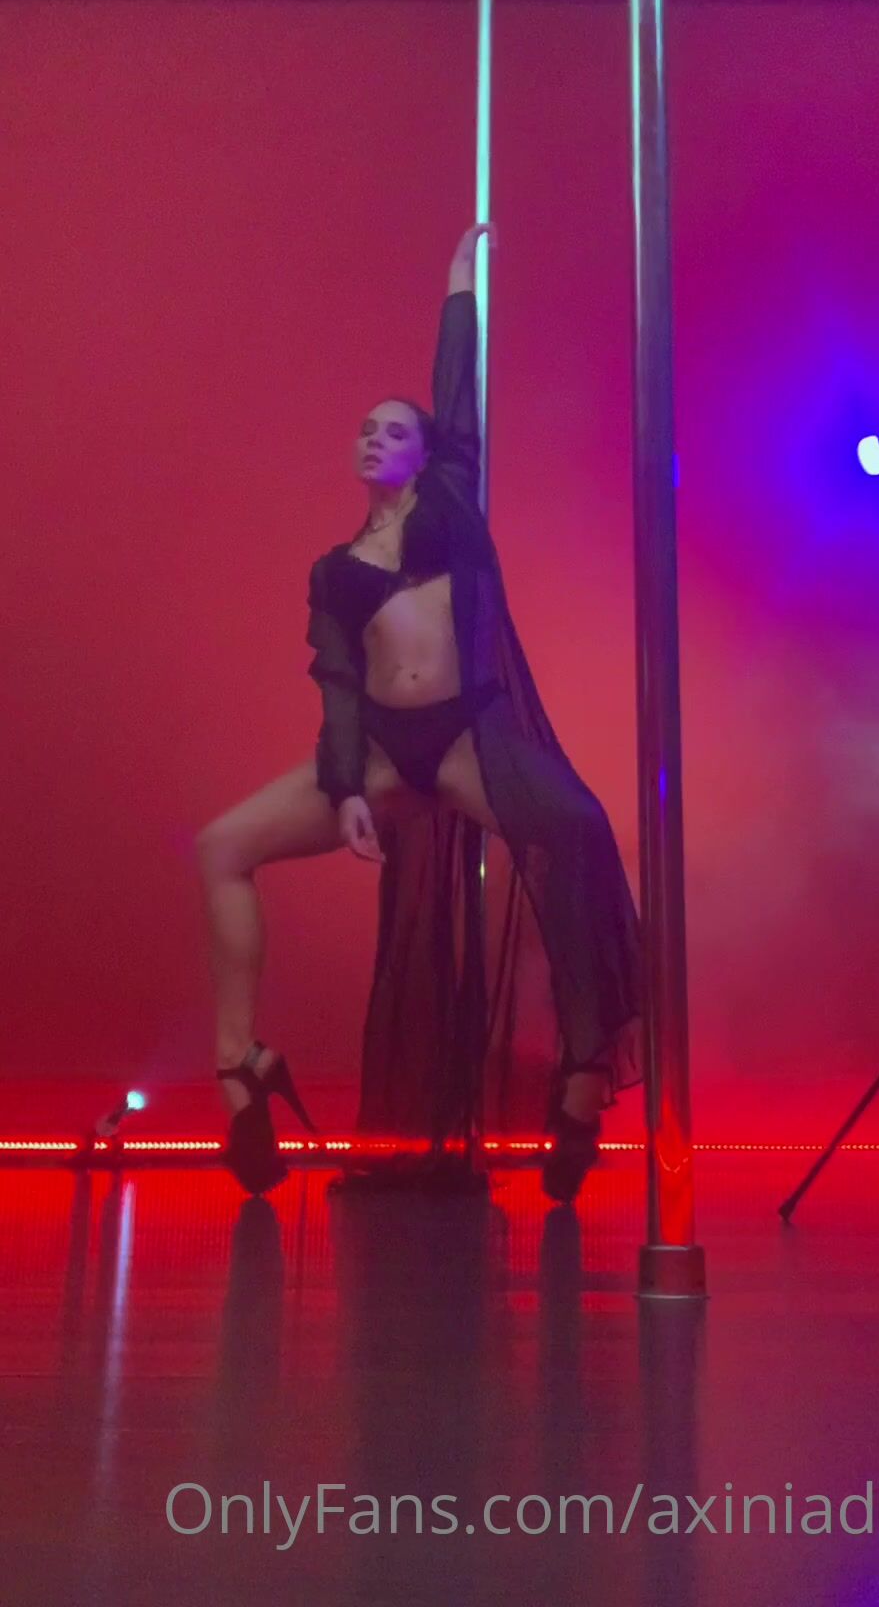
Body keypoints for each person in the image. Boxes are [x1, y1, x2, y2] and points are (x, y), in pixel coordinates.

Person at [198, 224, 642, 1201]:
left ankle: (582, 1076)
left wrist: (457, 288)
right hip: (386, 753)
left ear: (427, 453)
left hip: (468, 739)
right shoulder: (335, 570)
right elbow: (339, 688)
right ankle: (240, 1070)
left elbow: (457, 396)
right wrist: (348, 789)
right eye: (365, 429)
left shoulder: (449, 503)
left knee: (576, 830)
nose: (374, 438)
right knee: (221, 846)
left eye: (394, 429)